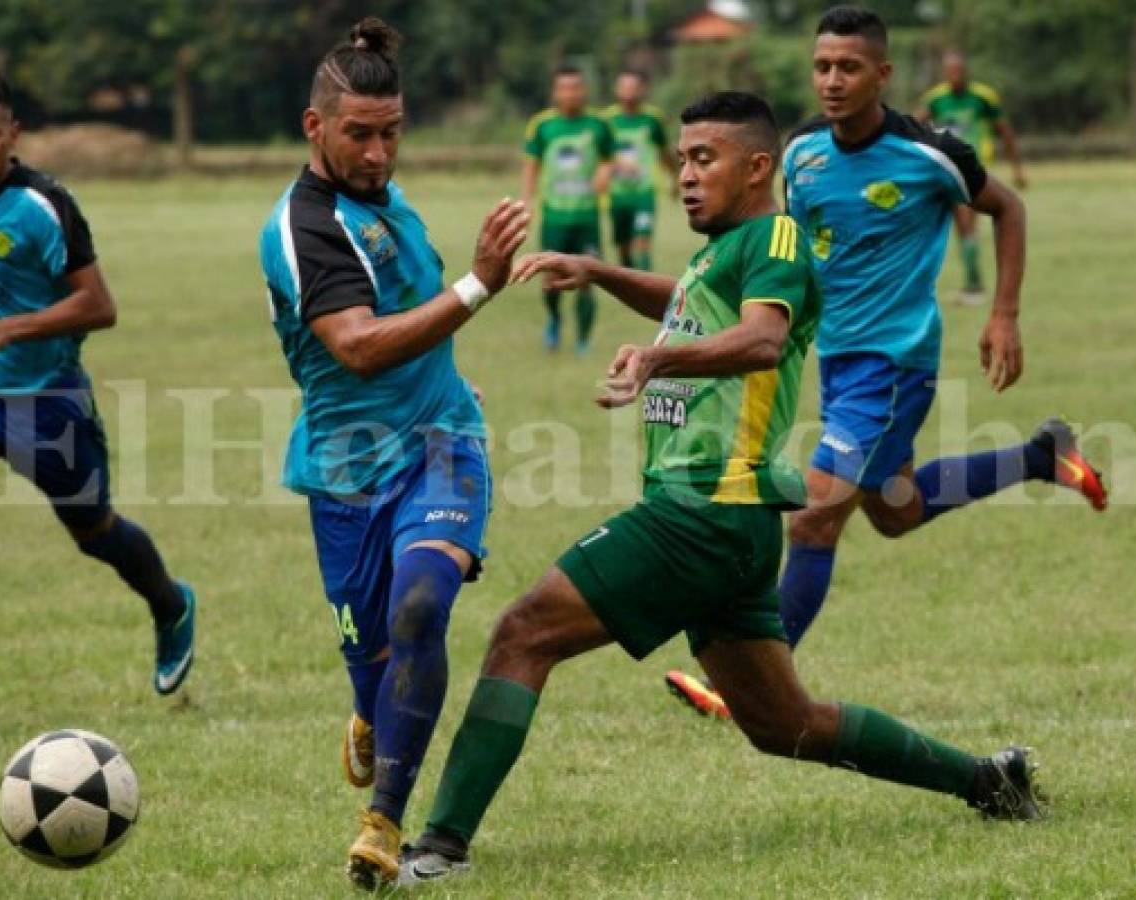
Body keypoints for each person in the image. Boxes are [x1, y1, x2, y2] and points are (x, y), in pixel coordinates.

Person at [397, 90, 1041, 887]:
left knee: (522, 634)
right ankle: (988, 779)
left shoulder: (773, 235)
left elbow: (764, 340)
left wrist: (655, 359)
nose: (685, 177)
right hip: (729, 525)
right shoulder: (730, 248)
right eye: (680, 162)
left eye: (704, 160)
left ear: (758, 166)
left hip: (702, 509)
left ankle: (441, 846)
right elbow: (689, 300)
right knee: (784, 724)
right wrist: (597, 270)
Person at [664, 6, 1105, 721]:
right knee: (895, 511)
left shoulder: (929, 153)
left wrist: (1003, 313)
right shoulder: (802, 151)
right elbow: (792, 246)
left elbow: (1008, 207)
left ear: (882, 74)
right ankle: (1039, 456)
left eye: (847, 67)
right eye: (820, 67)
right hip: (835, 357)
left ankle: (743, 688)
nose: (831, 81)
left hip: (893, 363)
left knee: (811, 516)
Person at [257, 18, 529, 890]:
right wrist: (478, 282)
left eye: (391, 132)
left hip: (443, 445)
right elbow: (362, 348)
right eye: (359, 135)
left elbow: (414, 325)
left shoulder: (390, 201)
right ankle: (369, 708)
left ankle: (383, 823)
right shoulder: (302, 226)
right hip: (342, 472)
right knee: (373, 658)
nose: (379, 153)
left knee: (421, 605)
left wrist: (453, 382)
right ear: (314, 127)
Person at [0, 65, 196, 695]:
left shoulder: (43, 206)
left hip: (46, 400)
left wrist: (10, 328)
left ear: (13, 133)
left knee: (93, 531)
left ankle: (170, 605)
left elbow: (99, 306)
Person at [920, 51, 1029, 304]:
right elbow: (914, 124)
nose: (955, 76)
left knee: (967, 221)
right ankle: (972, 283)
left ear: (966, 72)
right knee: (960, 226)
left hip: (975, 167)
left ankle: (974, 287)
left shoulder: (982, 97)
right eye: (951, 72)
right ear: (946, 74)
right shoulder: (936, 98)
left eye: (959, 71)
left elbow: (1005, 132)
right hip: (946, 168)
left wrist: (1017, 168)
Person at [522, 65, 614, 353]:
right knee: (550, 278)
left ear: (584, 90)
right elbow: (532, 165)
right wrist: (528, 200)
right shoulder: (542, 126)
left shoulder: (598, 125)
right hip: (554, 216)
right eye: (565, 88)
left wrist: (604, 172)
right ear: (555, 92)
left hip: (587, 215)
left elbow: (609, 158)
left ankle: (583, 340)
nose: (571, 93)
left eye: (576, 87)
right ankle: (554, 319)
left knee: (587, 276)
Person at [602, 69, 676, 271]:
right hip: (617, 195)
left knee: (642, 243)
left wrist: (675, 178)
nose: (629, 92)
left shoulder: (653, 119)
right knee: (623, 248)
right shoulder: (606, 120)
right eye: (625, 87)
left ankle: (647, 293)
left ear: (642, 89)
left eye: (634, 87)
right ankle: (631, 285)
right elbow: (600, 157)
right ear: (616, 90)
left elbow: (664, 152)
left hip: (644, 192)